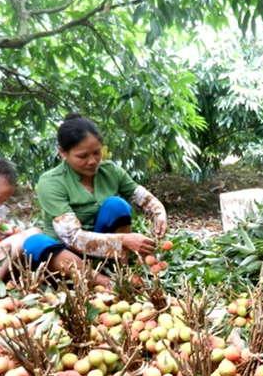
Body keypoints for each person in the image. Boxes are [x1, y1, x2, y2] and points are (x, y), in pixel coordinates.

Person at [24, 113, 168, 281]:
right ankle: (102, 281)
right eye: (82, 156)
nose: (92, 161)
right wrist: (123, 240)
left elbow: (144, 198)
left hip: (104, 252)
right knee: (33, 244)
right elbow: (73, 238)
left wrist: (159, 213)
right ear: (63, 153)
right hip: (66, 254)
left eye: (97, 153)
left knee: (116, 205)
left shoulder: (110, 171)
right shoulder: (51, 182)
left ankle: (122, 270)